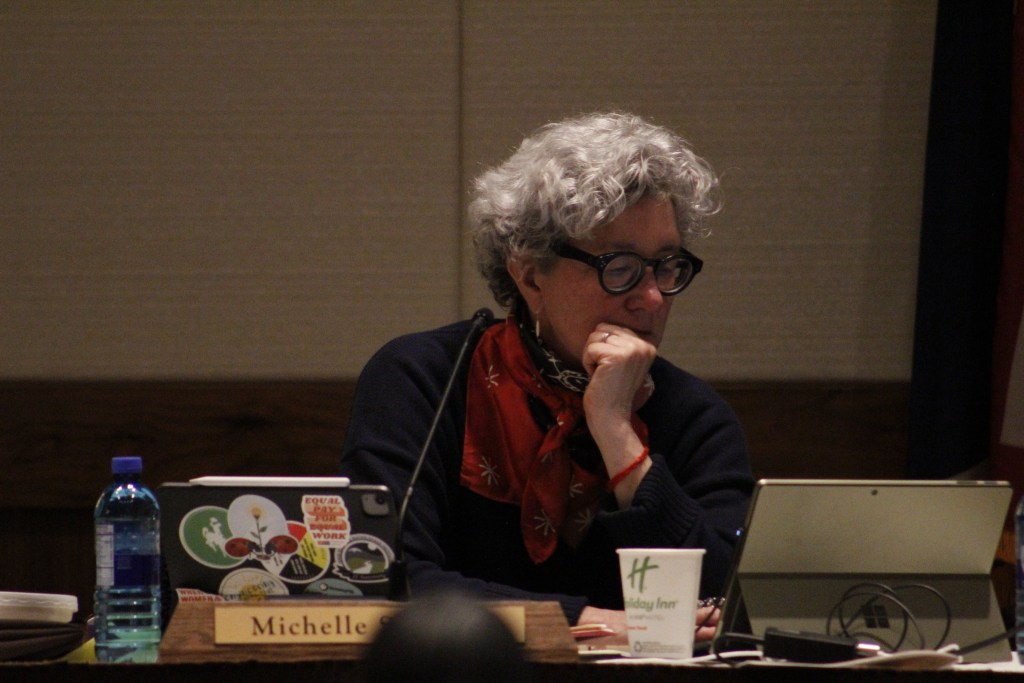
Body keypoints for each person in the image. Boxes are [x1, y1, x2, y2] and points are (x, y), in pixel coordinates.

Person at [340, 112, 753, 644]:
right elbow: (387, 577)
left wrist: (616, 433)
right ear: (530, 274)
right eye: (620, 266)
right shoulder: (423, 380)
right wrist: (583, 622)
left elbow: (721, 603)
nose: (652, 298)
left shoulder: (695, 416)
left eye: (666, 265)